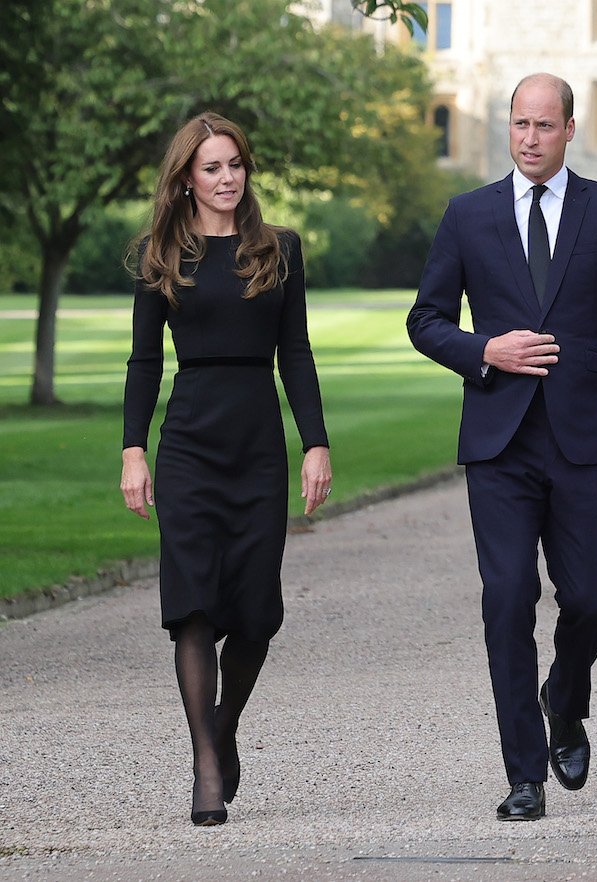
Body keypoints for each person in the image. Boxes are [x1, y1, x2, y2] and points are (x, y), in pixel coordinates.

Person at [406, 73, 597, 822]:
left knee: (591, 597)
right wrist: (488, 350)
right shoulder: (468, 215)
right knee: (508, 597)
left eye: (545, 125)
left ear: (570, 130)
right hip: (500, 444)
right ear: (507, 129)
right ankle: (523, 773)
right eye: (520, 124)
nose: (531, 137)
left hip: (587, 439)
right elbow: (426, 320)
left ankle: (565, 696)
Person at [120, 112, 332, 826]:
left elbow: (296, 351)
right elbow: (144, 361)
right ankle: (205, 767)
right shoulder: (160, 255)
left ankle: (225, 724)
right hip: (188, 444)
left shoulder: (279, 249)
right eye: (211, 167)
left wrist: (316, 442)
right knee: (194, 604)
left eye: (235, 165)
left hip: (256, 444)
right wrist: (132, 452)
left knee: (255, 614)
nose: (226, 178)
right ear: (186, 178)